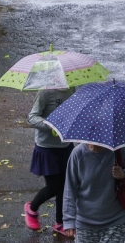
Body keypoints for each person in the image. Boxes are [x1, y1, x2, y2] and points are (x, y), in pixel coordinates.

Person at [62, 143, 125, 243]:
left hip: (115, 220)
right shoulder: (78, 154)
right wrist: (69, 221)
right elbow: (69, 189)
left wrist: (124, 174)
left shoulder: (120, 151)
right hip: (85, 223)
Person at [24, 87, 75, 236]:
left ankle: (60, 222)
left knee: (65, 187)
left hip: (65, 145)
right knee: (54, 186)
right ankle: (32, 208)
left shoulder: (72, 88)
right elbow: (32, 117)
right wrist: (50, 125)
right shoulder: (46, 92)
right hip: (47, 147)